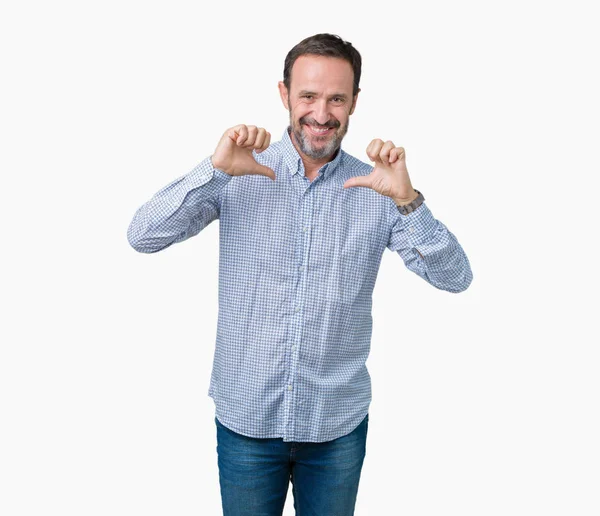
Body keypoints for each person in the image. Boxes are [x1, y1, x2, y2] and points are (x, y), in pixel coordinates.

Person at [127, 33, 472, 516]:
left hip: (336, 428)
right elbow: (143, 235)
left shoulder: (380, 188)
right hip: (247, 421)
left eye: (337, 98)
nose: (322, 112)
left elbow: (455, 277)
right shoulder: (238, 174)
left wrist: (408, 202)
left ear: (354, 102)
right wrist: (214, 169)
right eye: (308, 95)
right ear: (285, 95)